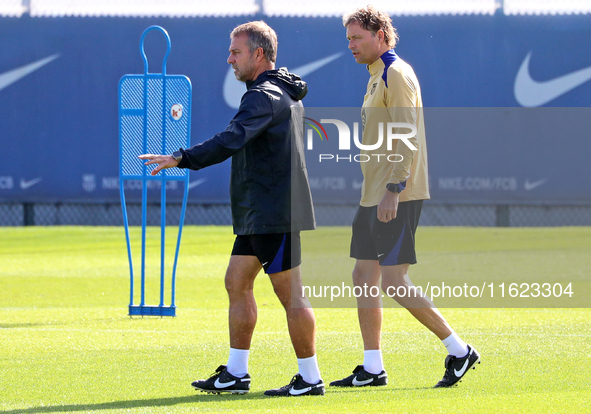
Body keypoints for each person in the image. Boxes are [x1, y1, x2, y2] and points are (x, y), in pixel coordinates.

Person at [139, 21, 324, 397]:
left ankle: (310, 377)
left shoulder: (264, 95)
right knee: (236, 282)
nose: (229, 59)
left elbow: (231, 138)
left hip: (274, 212)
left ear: (259, 54)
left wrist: (181, 157)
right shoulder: (277, 91)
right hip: (260, 212)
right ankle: (236, 373)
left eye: (236, 52)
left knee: (291, 296)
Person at [329, 6, 480, 389]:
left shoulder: (396, 73)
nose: (351, 45)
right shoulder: (375, 74)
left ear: (380, 34)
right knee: (364, 276)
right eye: (348, 38)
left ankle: (459, 350)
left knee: (394, 279)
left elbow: (407, 134)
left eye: (356, 37)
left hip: (396, 194)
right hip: (373, 195)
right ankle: (373, 367)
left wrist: (394, 189)